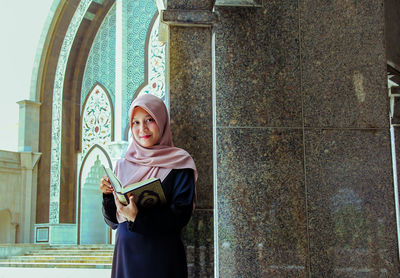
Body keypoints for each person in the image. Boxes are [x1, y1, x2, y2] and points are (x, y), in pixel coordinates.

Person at [99, 94, 197, 278]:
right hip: (126, 256)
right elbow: (113, 220)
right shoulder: (122, 164)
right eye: (135, 122)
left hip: (161, 257)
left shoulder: (180, 163)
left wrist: (138, 218)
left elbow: (181, 216)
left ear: (162, 121)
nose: (142, 128)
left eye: (149, 120)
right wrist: (106, 195)